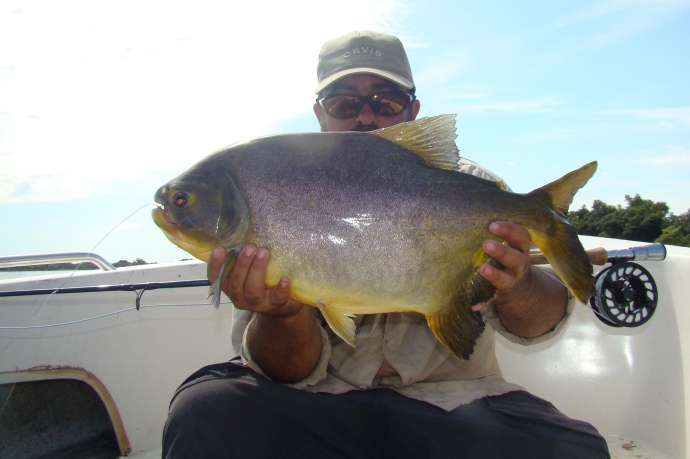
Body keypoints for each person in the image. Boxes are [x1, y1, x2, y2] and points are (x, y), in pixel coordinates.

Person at [162, 30, 610, 458]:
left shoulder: (476, 188)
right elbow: (286, 372)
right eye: (344, 102)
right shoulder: (277, 182)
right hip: (320, 403)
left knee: (576, 451)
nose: (366, 116)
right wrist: (282, 311)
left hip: (454, 408)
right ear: (320, 114)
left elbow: (538, 324)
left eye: (386, 100)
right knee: (204, 413)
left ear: (413, 111)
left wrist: (519, 284)